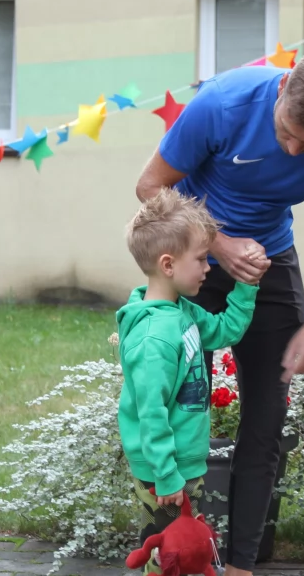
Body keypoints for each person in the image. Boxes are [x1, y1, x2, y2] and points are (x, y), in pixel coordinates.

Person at [135, 47, 304, 573]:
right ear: (284, 84)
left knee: (265, 422)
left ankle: (241, 566)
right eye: (287, 131)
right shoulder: (222, 103)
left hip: (269, 261)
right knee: (166, 408)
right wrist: (219, 244)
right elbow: (149, 187)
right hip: (194, 256)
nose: (292, 150)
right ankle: (165, 558)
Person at [116, 187, 261, 554]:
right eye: (201, 259)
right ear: (168, 265)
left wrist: (247, 285)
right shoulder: (155, 339)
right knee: (166, 555)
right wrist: (166, 477)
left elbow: (227, 329)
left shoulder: (182, 313)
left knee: (178, 551)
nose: (208, 268)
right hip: (164, 473)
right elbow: (151, 413)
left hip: (181, 464)